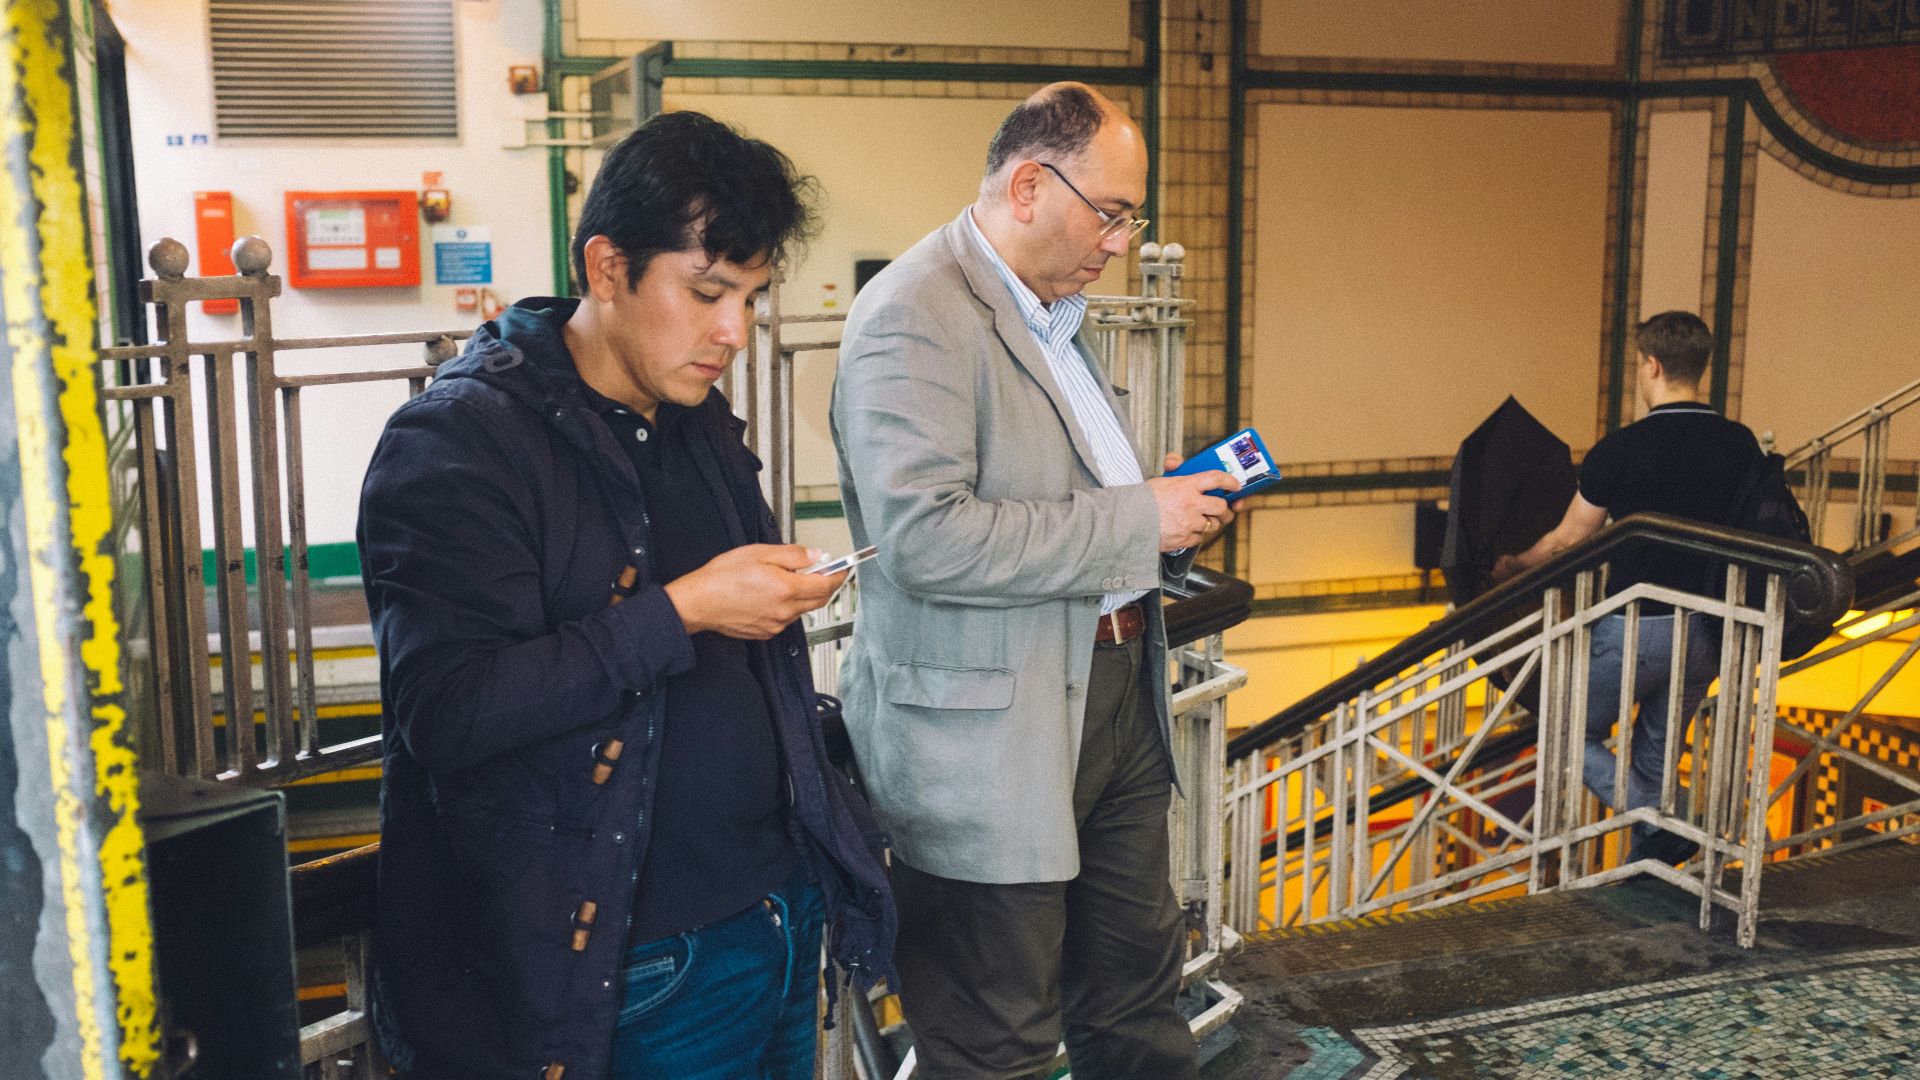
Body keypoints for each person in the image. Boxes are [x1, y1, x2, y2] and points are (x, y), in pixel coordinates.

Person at [357, 110, 894, 1080]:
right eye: (705, 292)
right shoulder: (460, 443)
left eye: (751, 298)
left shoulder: (697, 422)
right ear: (608, 268)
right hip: (633, 965)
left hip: (775, 916)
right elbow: (447, 712)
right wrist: (684, 610)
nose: (733, 332)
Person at [829, 82, 1237, 1079]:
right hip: (984, 738)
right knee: (995, 1037)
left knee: (1139, 998)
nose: (1121, 242)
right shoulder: (912, 317)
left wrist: (1167, 522)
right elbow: (926, 539)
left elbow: (1074, 498)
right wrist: (1137, 518)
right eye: (1111, 215)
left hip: (1114, 694)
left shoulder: (1057, 314)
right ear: (1025, 187)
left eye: (1132, 220)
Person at [1493, 310, 1764, 865]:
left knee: (1563, 730)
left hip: (1639, 626)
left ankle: (1669, 818)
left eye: (1641, 365)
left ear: (1653, 365)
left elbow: (1566, 542)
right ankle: (1653, 862)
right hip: (1713, 627)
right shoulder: (1739, 446)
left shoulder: (1621, 449)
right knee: (1656, 759)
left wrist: (1513, 565)